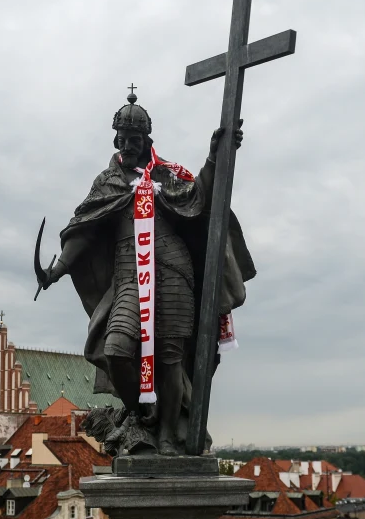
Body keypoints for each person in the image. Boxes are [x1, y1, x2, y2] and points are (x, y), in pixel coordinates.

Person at [38, 91, 254, 454]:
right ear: (115, 139)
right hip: (129, 277)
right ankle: (142, 412)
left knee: (171, 358)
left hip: (173, 269)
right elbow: (85, 231)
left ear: (146, 139)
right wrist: (56, 270)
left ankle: (167, 435)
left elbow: (199, 195)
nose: (128, 145)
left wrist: (214, 156)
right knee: (116, 348)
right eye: (123, 139)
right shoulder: (107, 182)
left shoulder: (165, 175)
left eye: (135, 139)